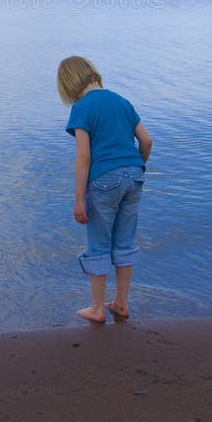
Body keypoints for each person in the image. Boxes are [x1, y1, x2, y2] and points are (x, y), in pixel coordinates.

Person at [57, 55, 153, 323]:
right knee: (124, 241)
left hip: (103, 181)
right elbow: (146, 140)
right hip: (134, 176)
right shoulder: (122, 101)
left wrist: (79, 199)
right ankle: (121, 303)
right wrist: (135, 169)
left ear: (68, 83)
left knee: (98, 243)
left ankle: (98, 308)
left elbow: (84, 157)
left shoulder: (82, 108)